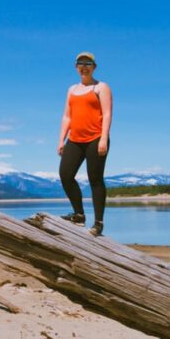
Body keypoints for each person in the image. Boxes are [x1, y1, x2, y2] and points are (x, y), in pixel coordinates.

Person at [58, 51, 113, 236]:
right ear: (76, 67)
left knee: (95, 179)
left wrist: (104, 137)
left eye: (88, 63)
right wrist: (61, 139)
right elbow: (67, 116)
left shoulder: (101, 87)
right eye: (80, 63)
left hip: (96, 138)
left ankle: (98, 223)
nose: (84, 66)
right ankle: (79, 215)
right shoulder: (72, 89)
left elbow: (106, 114)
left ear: (94, 67)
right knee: (65, 175)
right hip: (74, 139)